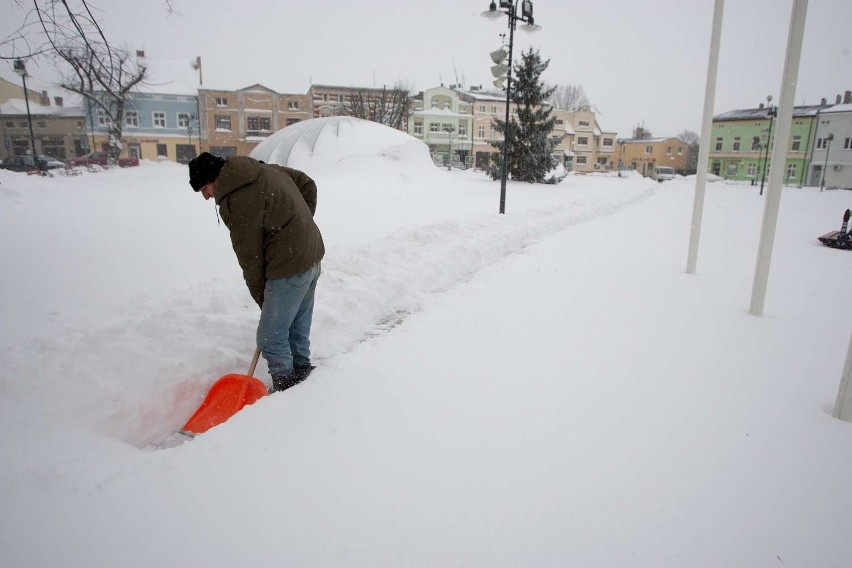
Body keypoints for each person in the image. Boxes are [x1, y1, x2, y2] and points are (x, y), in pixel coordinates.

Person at [188, 152, 325, 393]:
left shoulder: (237, 200)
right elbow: (306, 183)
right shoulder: (262, 169)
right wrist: (299, 225)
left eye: (204, 189)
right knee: (295, 324)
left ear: (213, 179)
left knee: (270, 336)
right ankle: (302, 370)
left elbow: (250, 258)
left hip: (289, 264)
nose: (207, 197)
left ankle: (288, 386)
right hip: (310, 253)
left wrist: (263, 297)